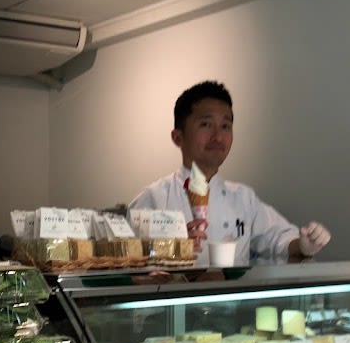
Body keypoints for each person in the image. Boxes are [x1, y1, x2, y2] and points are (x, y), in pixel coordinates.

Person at [128, 80, 331, 266]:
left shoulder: (243, 198)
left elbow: (279, 239)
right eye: (206, 124)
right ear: (177, 137)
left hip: (232, 296)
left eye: (225, 126)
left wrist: (304, 245)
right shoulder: (152, 198)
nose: (218, 136)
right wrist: (169, 250)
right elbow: (126, 260)